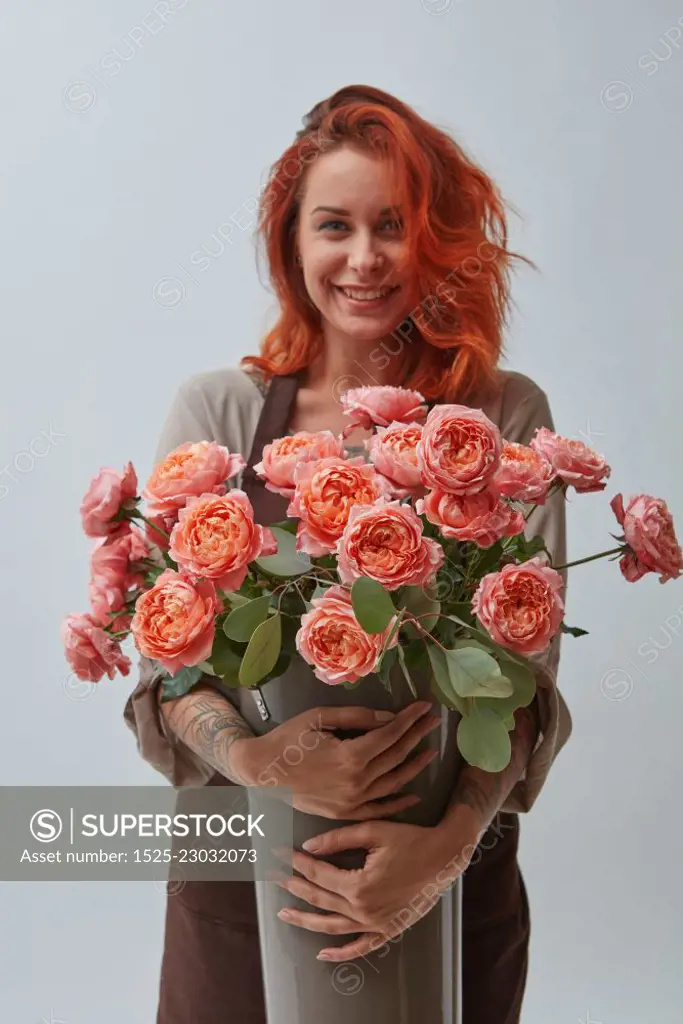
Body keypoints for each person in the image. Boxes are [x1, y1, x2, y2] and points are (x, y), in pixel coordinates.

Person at [124, 84, 573, 1024]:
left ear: (438, 245)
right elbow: (168, 670)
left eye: (393, 226)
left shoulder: (501, 421)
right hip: (239, 881)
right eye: (334, 225)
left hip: (443, 877)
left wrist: (437, 860)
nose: (364, 259)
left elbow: (523, 686)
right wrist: (260, 763)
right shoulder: (221, 418)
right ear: (293, 244)